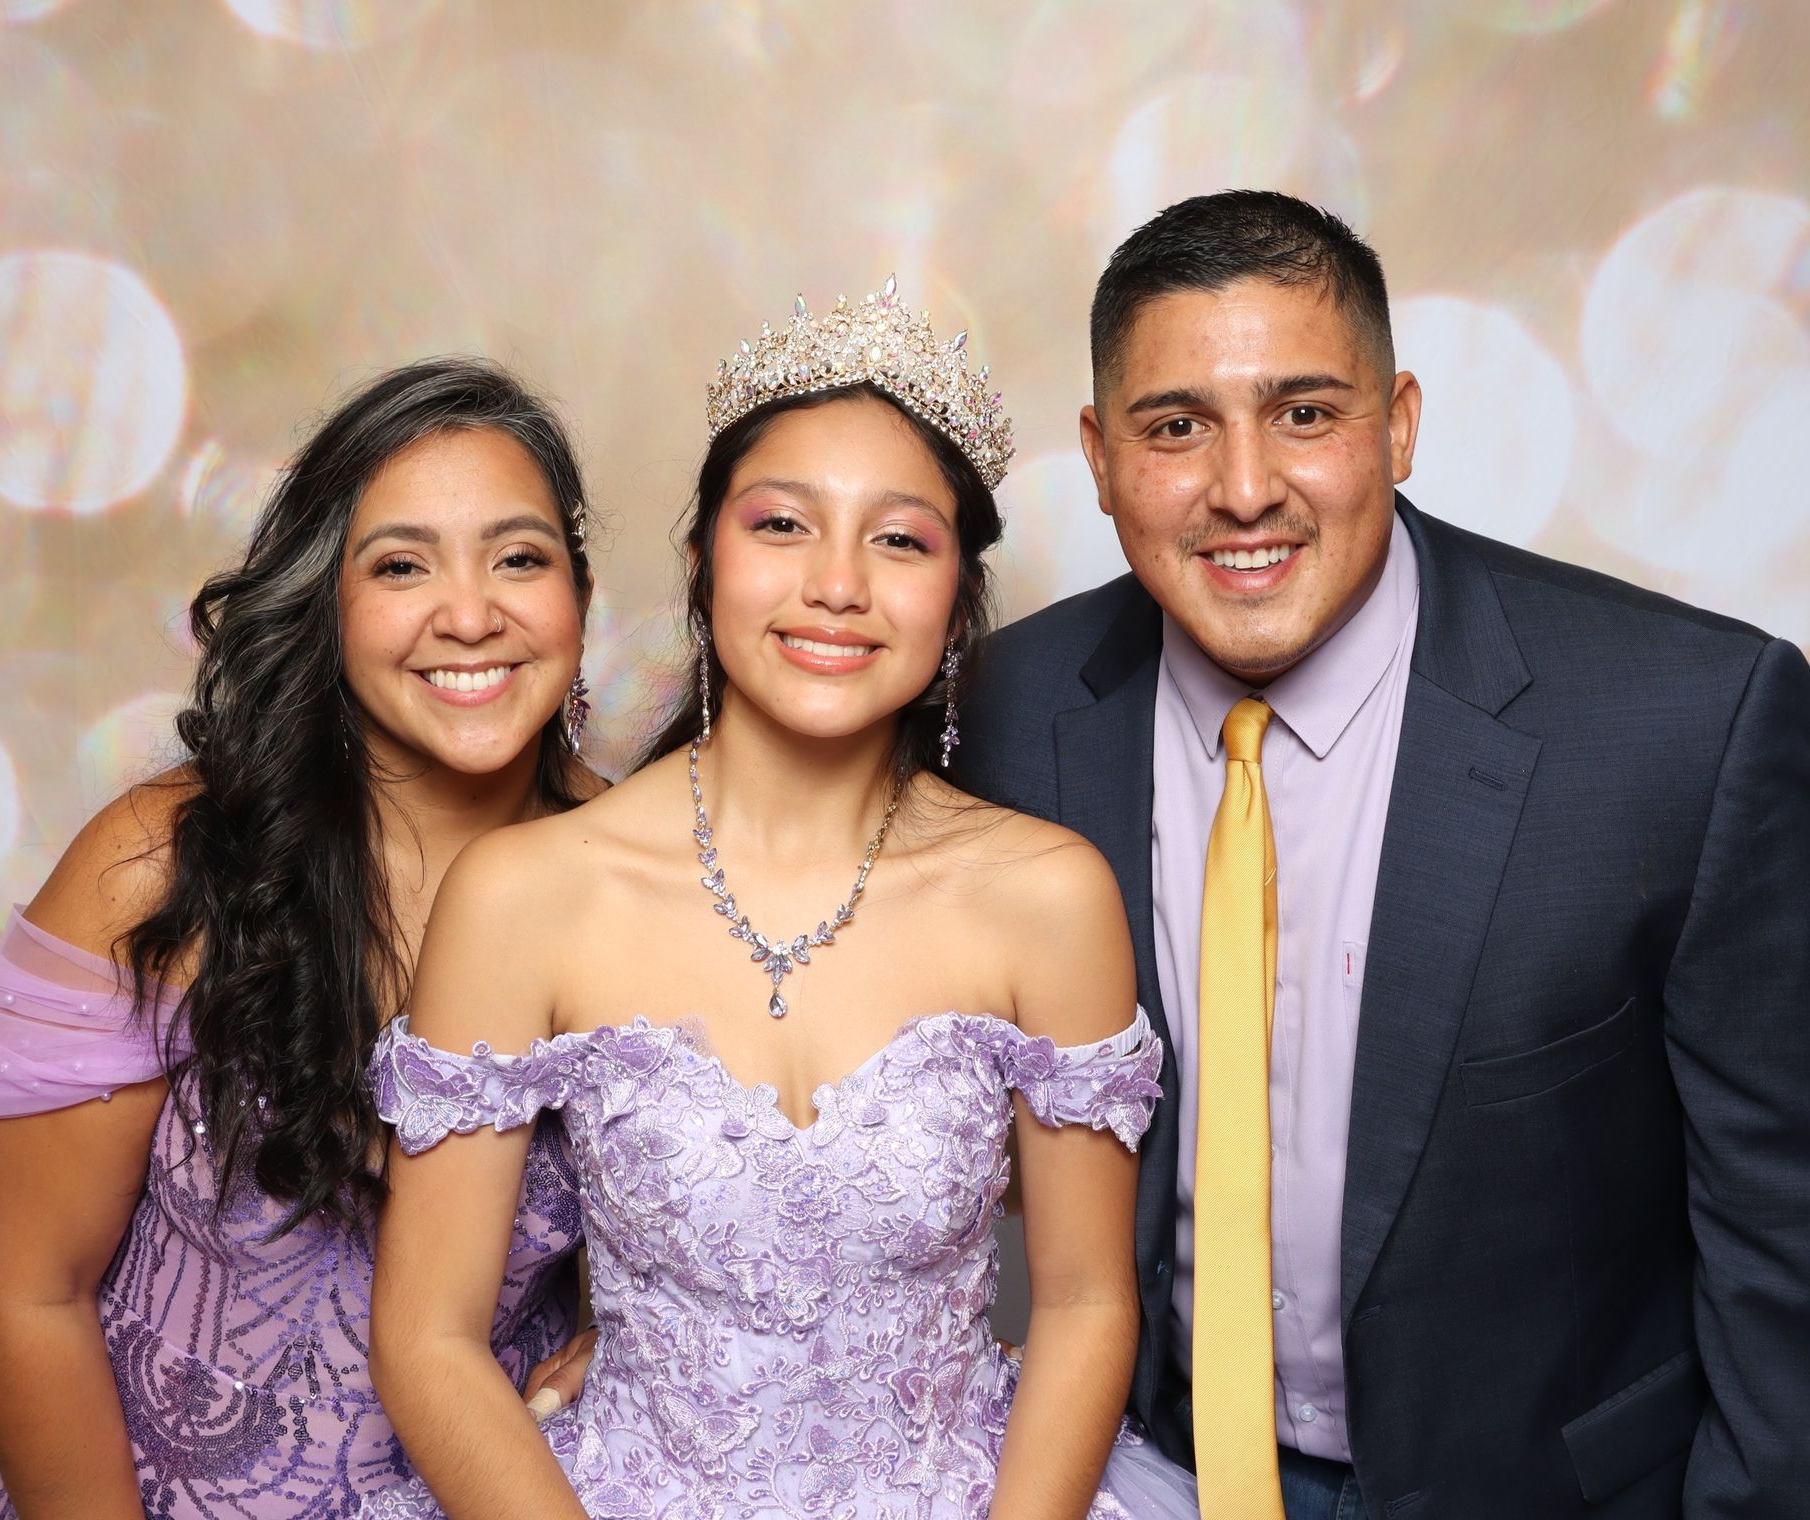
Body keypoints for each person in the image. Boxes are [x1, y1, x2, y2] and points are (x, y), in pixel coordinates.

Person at [954, 189, 1810, 1519]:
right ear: (1102, 459)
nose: (1246, 488)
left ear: (1400, 425)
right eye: (1176, 427)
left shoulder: (1688, 724)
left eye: (1305, 413)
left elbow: (1784, 1229)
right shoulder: (1008, 707)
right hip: (1152, 1477)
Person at [362, 283, 1200, 1519]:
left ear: (957, 598)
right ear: (704, 562)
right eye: (783, 525)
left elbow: (1084, 1301)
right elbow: (427, 1334)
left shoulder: (1048, 896)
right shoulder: (527, 894)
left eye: (900, 540)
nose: (837, 583)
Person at [0, 359, 602, 1519]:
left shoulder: (650, 875)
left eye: (519, 558)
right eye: (401, 564)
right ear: (324, 602)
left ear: (580, 596)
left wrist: (646, 1336)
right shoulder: (157, 865)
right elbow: (27, 1290)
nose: (470, 614)